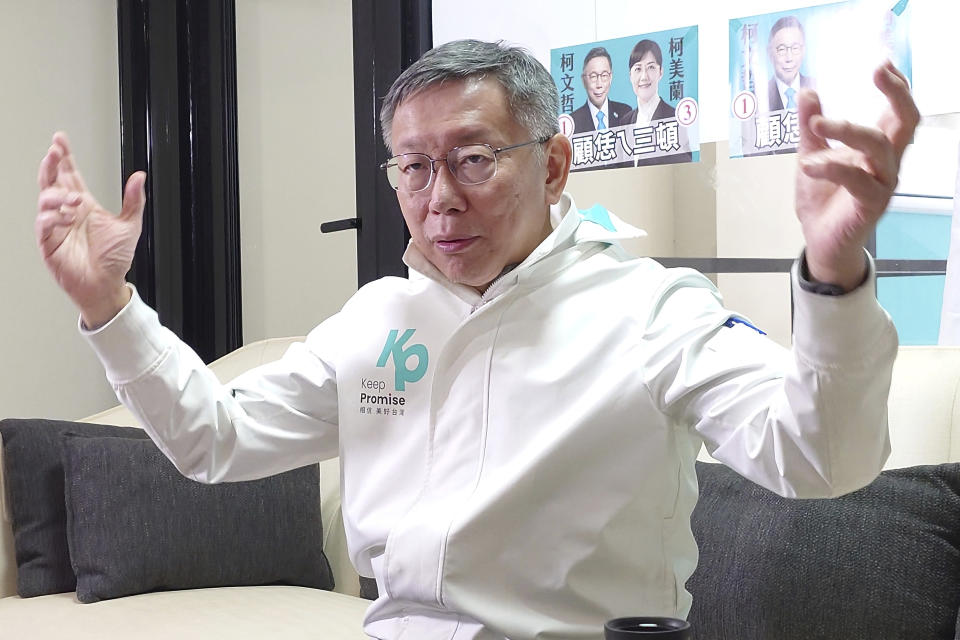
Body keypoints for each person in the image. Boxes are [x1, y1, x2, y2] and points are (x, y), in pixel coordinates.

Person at [35, 39, 917, 640]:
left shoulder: (651, 309)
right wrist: (112, 305)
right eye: (413, 167)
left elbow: (821, 460)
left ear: (555, 163)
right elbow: (212, 440)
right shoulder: (378, 317)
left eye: (473, 157)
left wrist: (833, 275)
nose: (439, 196)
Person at [615, 39, 691, 166]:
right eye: (638, 69)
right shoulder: (624, 123)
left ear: (661, 72)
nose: (644, 77)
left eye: (651, 67)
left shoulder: (675, 119)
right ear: (630, 76)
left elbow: (684, 171)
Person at [570, 46, 631, 134]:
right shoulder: (573, 122)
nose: (599, 84)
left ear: (610, 78)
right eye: (593, 76)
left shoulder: (625, 112)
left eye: (604, 75)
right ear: (583, 80)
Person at [767, 15, 815, 112]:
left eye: (795, 48)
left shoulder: (817, 88)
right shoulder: (758, 97)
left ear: (803, 51)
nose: (789, 58)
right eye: (781, 49)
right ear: (770, 53)